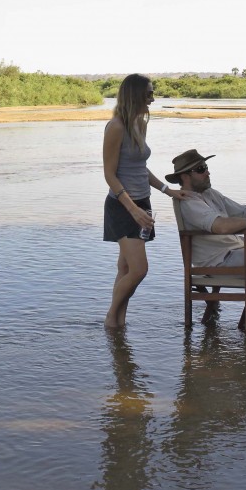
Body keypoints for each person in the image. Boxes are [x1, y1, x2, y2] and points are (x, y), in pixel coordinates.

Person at [102, 73, 186, 330]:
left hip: (142, 203)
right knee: (139, 270)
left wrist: (166, 189)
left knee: (125, 266)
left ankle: (119, 324)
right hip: (123, 206)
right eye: (148, 93)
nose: (153, 98)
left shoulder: (140, 124)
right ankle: (110, 318)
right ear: (135, 95)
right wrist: (133, 209)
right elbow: (109, 174)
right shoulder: (115, 127)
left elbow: (140, 168)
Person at [168, 148, 246, 292]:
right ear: (185, 177)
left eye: (206, 167)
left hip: (240, 254)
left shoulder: (210, 194)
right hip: (220, 262)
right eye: (201, 169)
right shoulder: (188, 203)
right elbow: (221, 226)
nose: (208, 172)